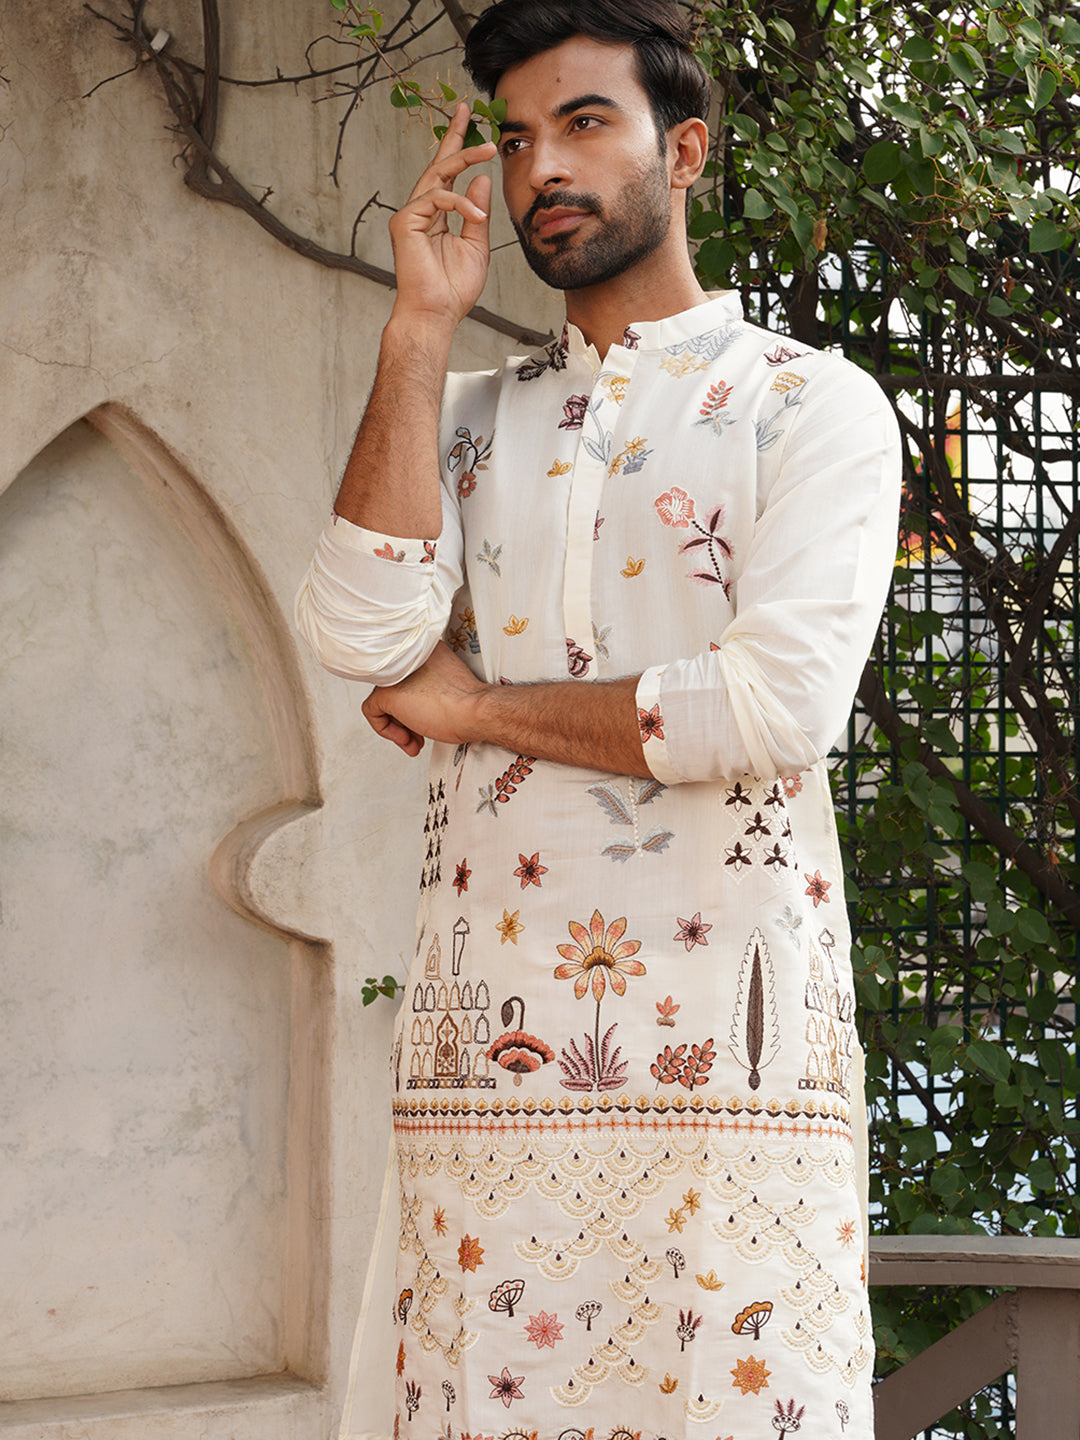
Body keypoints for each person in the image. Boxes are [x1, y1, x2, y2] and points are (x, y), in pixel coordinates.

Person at [296, 2, 901, 1436]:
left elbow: (768, 709)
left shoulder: (807, 406)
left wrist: (472, 706)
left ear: (683, 152)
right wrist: (417, 331)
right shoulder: (459, 417)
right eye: (516, 140)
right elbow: (360, 632)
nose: (541, 169)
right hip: (489, 1072)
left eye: (584, 124)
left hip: (730, 1073)